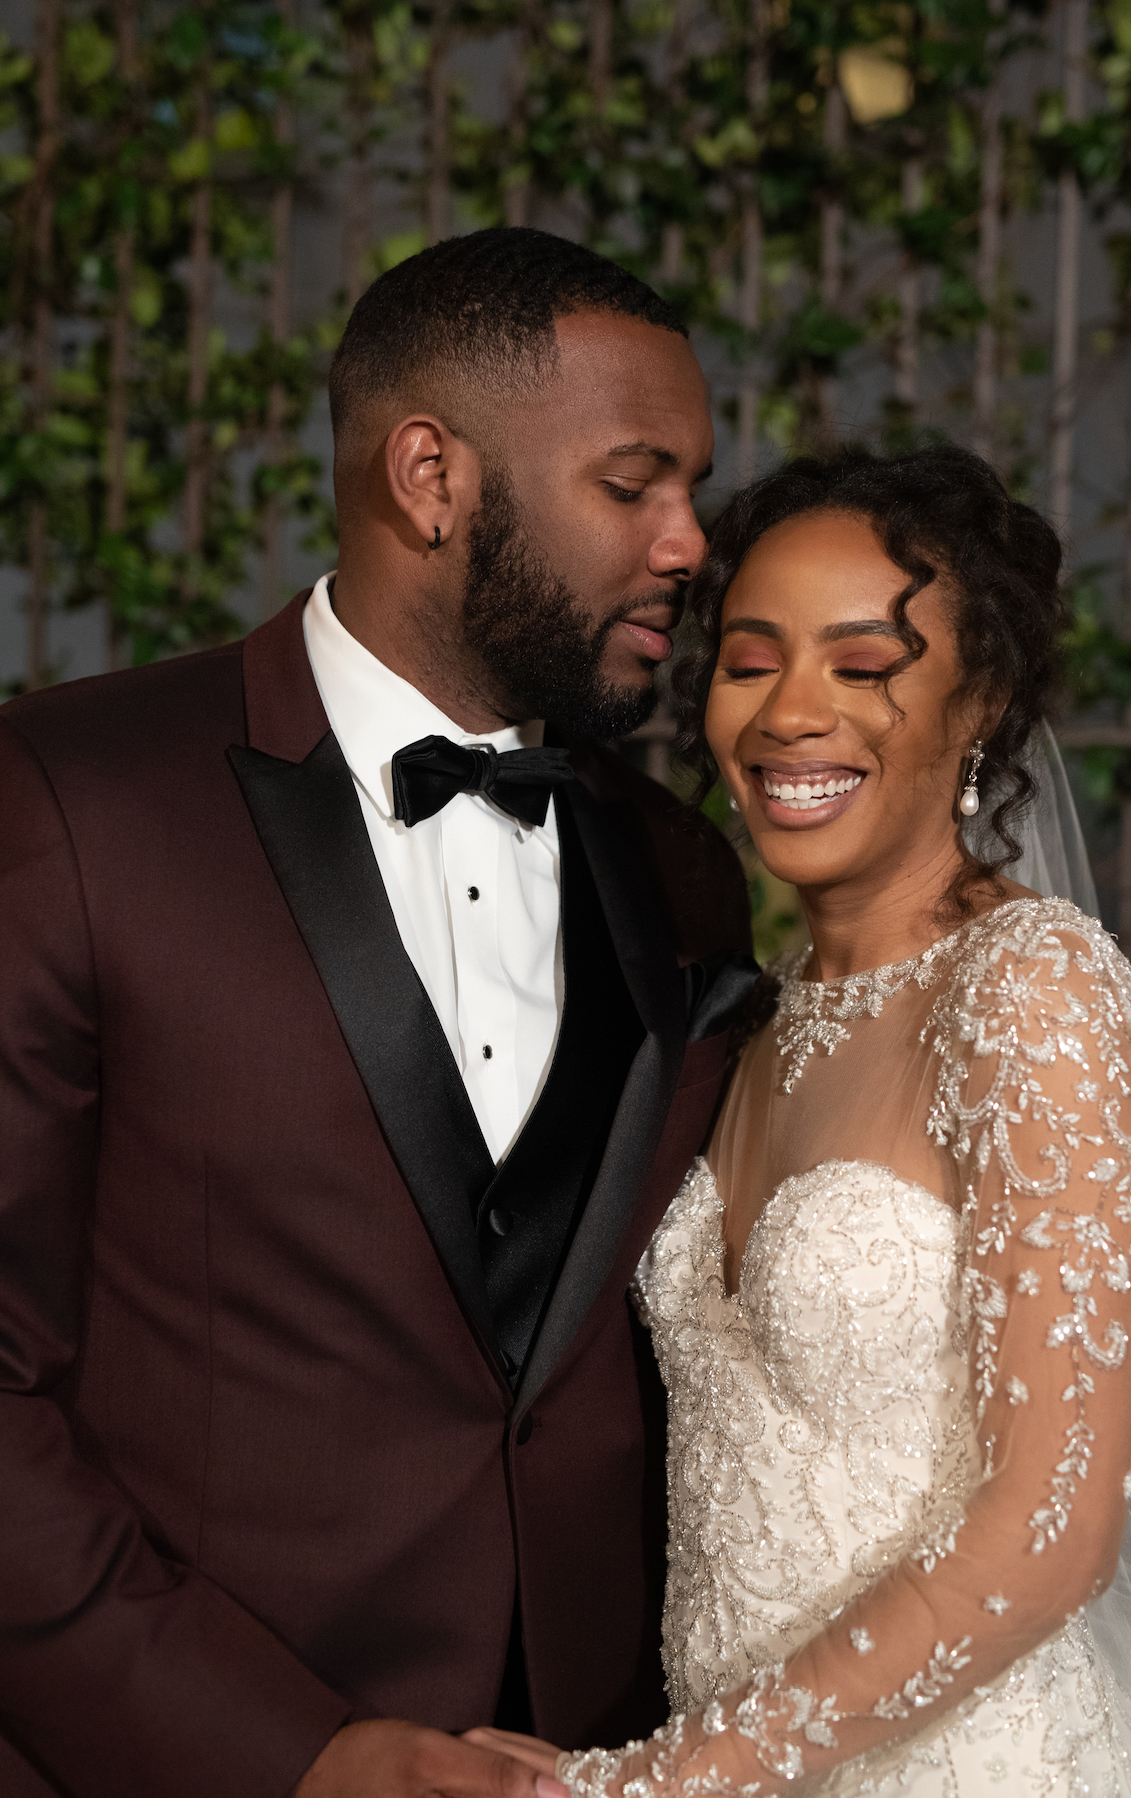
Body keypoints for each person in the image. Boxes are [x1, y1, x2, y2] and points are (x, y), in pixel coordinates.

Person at [0, 228, 756, 1798]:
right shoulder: (73, 798)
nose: (691, 543)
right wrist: (289, 1755)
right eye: (636, 483)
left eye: (693, 488)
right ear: (432, 475)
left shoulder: (676, 868)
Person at [470, 446, 1131, 1793]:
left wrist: (651, 1784)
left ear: (978, 701)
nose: (793, 713)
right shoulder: (757, 1022)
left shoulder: (1034, 994)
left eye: (865, 666)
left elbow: (1054, 1526)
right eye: (751, 662)